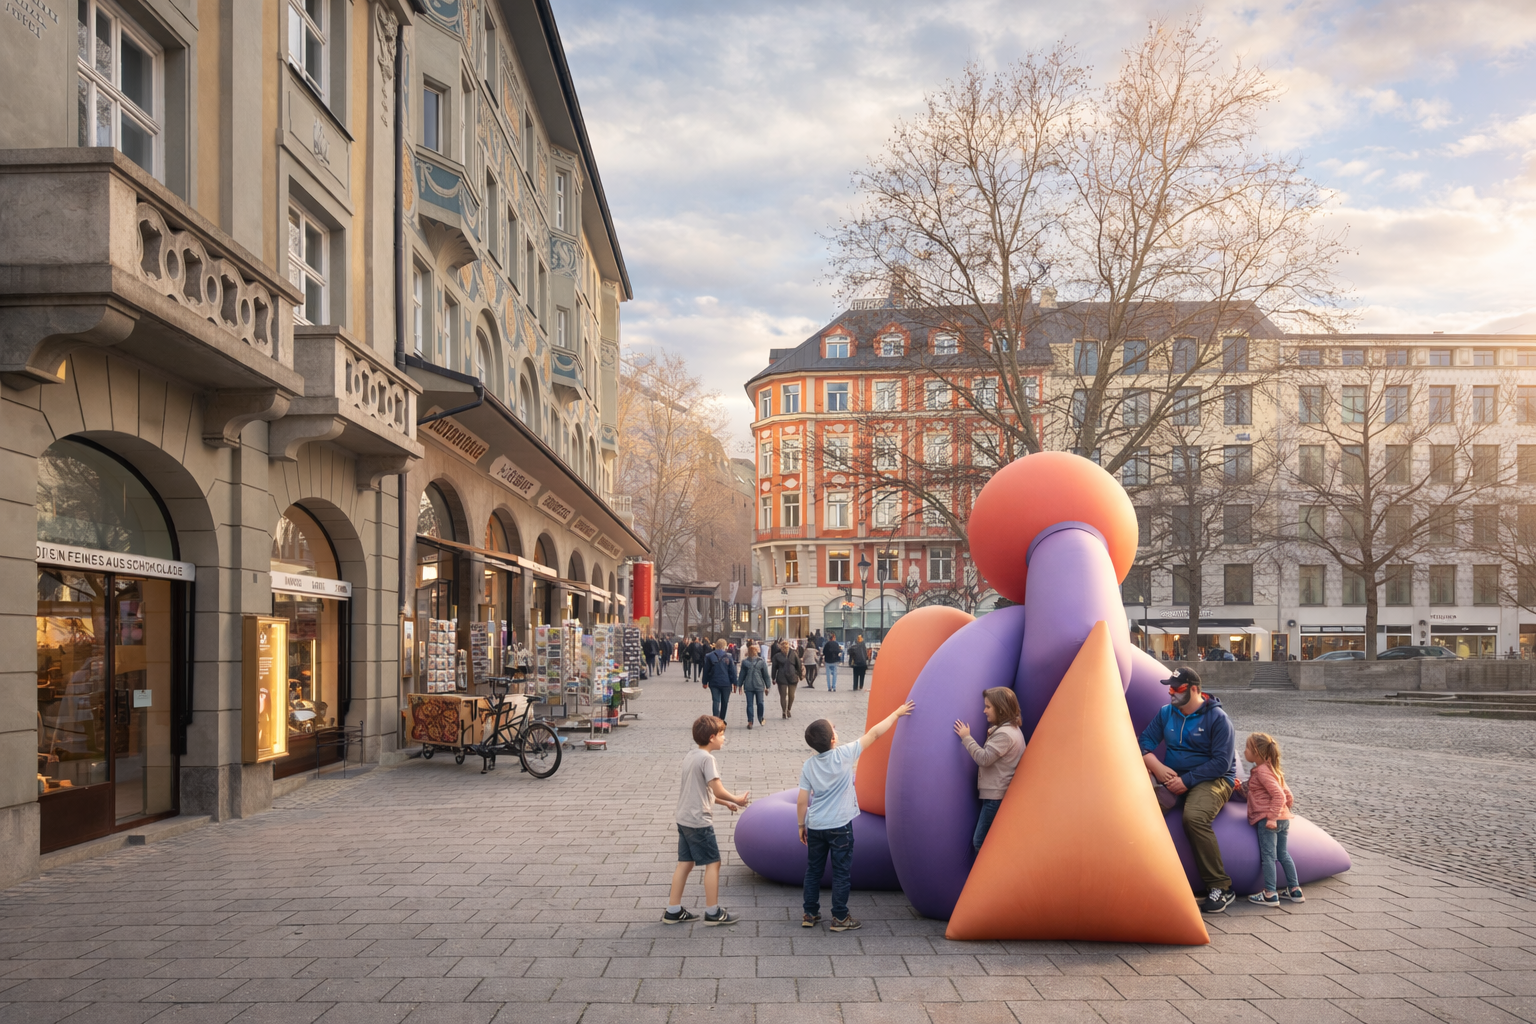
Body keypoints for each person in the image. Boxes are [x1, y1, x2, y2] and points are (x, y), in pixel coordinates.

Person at [797, 699, 916, 931]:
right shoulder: (845, 754)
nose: (836, 731)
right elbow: (874, 734)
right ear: (833, 739)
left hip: (816, 825)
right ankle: (840, 918)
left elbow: (803, 800)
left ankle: (809, 914)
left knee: (813, 870)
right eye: (834, 729)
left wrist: (801, 825)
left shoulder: (809, 765)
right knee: (841, 872)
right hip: (840, 826)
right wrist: (896, 713)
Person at [1138, 667, 1239, 914]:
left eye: (1177, 688)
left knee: (1193, 818)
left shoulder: (1218, 719)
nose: (1171, 693)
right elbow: (1143, 743)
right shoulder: (1166, 713)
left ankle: (1220, 886)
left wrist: (1187, 781)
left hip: (1213, 779)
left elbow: (1221, 763)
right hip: (1172, 777)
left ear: (1194, 689)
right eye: (1169, 688)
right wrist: (1157, 767)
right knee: (1137, 811)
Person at [664, 715, 750, 925]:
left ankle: (672, 910)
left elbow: (704, 791)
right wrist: (736, 799)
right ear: (712, 737)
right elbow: (716, 787)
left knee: (685, 863)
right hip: (698, 821)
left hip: (684, 818)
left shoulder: (691, 755)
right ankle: (713, 912)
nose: (724, 739)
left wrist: (724, 803)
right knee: (714, 862)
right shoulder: (707, 759)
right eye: (722, 735)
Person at [953, 687, 1025, 853]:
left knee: (980, 841)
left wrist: (966, 737)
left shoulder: (1005, 735)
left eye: (988, 706)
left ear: (1000, 708)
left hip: (995, 797)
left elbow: (984, 758)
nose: (984, 710)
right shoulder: (1010, 730)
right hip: (995, 794)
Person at [1241, 732, 1303, 907]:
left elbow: (1279, 796)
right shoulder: (1273, 769)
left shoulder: (1261, 771)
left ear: (1257, 753)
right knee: (1283, 854)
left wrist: (1272, 817)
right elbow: (1288, 796)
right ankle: (1295, 890)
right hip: (1283, 819)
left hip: (1269, 819)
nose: (1244, 751)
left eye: (1247, 748)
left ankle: (1270, 893)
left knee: (1268, 857)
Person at [702, 638, 738, 720]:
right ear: (725, 646)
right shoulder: (729, 656)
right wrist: (735, 682)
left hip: (714, 682)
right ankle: (722, 719)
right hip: (726, 683)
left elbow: (706, 670)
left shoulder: (709, 656)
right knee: (725, 702)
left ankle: (715, 719)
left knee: (716, 701)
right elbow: (732, 671)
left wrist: (705, 682)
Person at [739, 644, 771, 729]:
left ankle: (755, 719)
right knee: (758, 703)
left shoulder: (761, 662)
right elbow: (742, 675)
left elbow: (765, 675)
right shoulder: (746, 662)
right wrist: (739, 684)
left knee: (753, 704)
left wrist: (768, 685)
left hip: (755, 686)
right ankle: (753, 720)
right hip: (753, 686)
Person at [772, 638, 803, 718]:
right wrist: (800, 675)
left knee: (783, 696)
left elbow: (774, 668)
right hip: (793, 676)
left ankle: (784, 711)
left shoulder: (777, 656)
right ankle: (788, 709)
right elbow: (798, 665)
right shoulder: (794, 654)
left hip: (781, 677)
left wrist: (773, 678)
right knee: (791, 695)